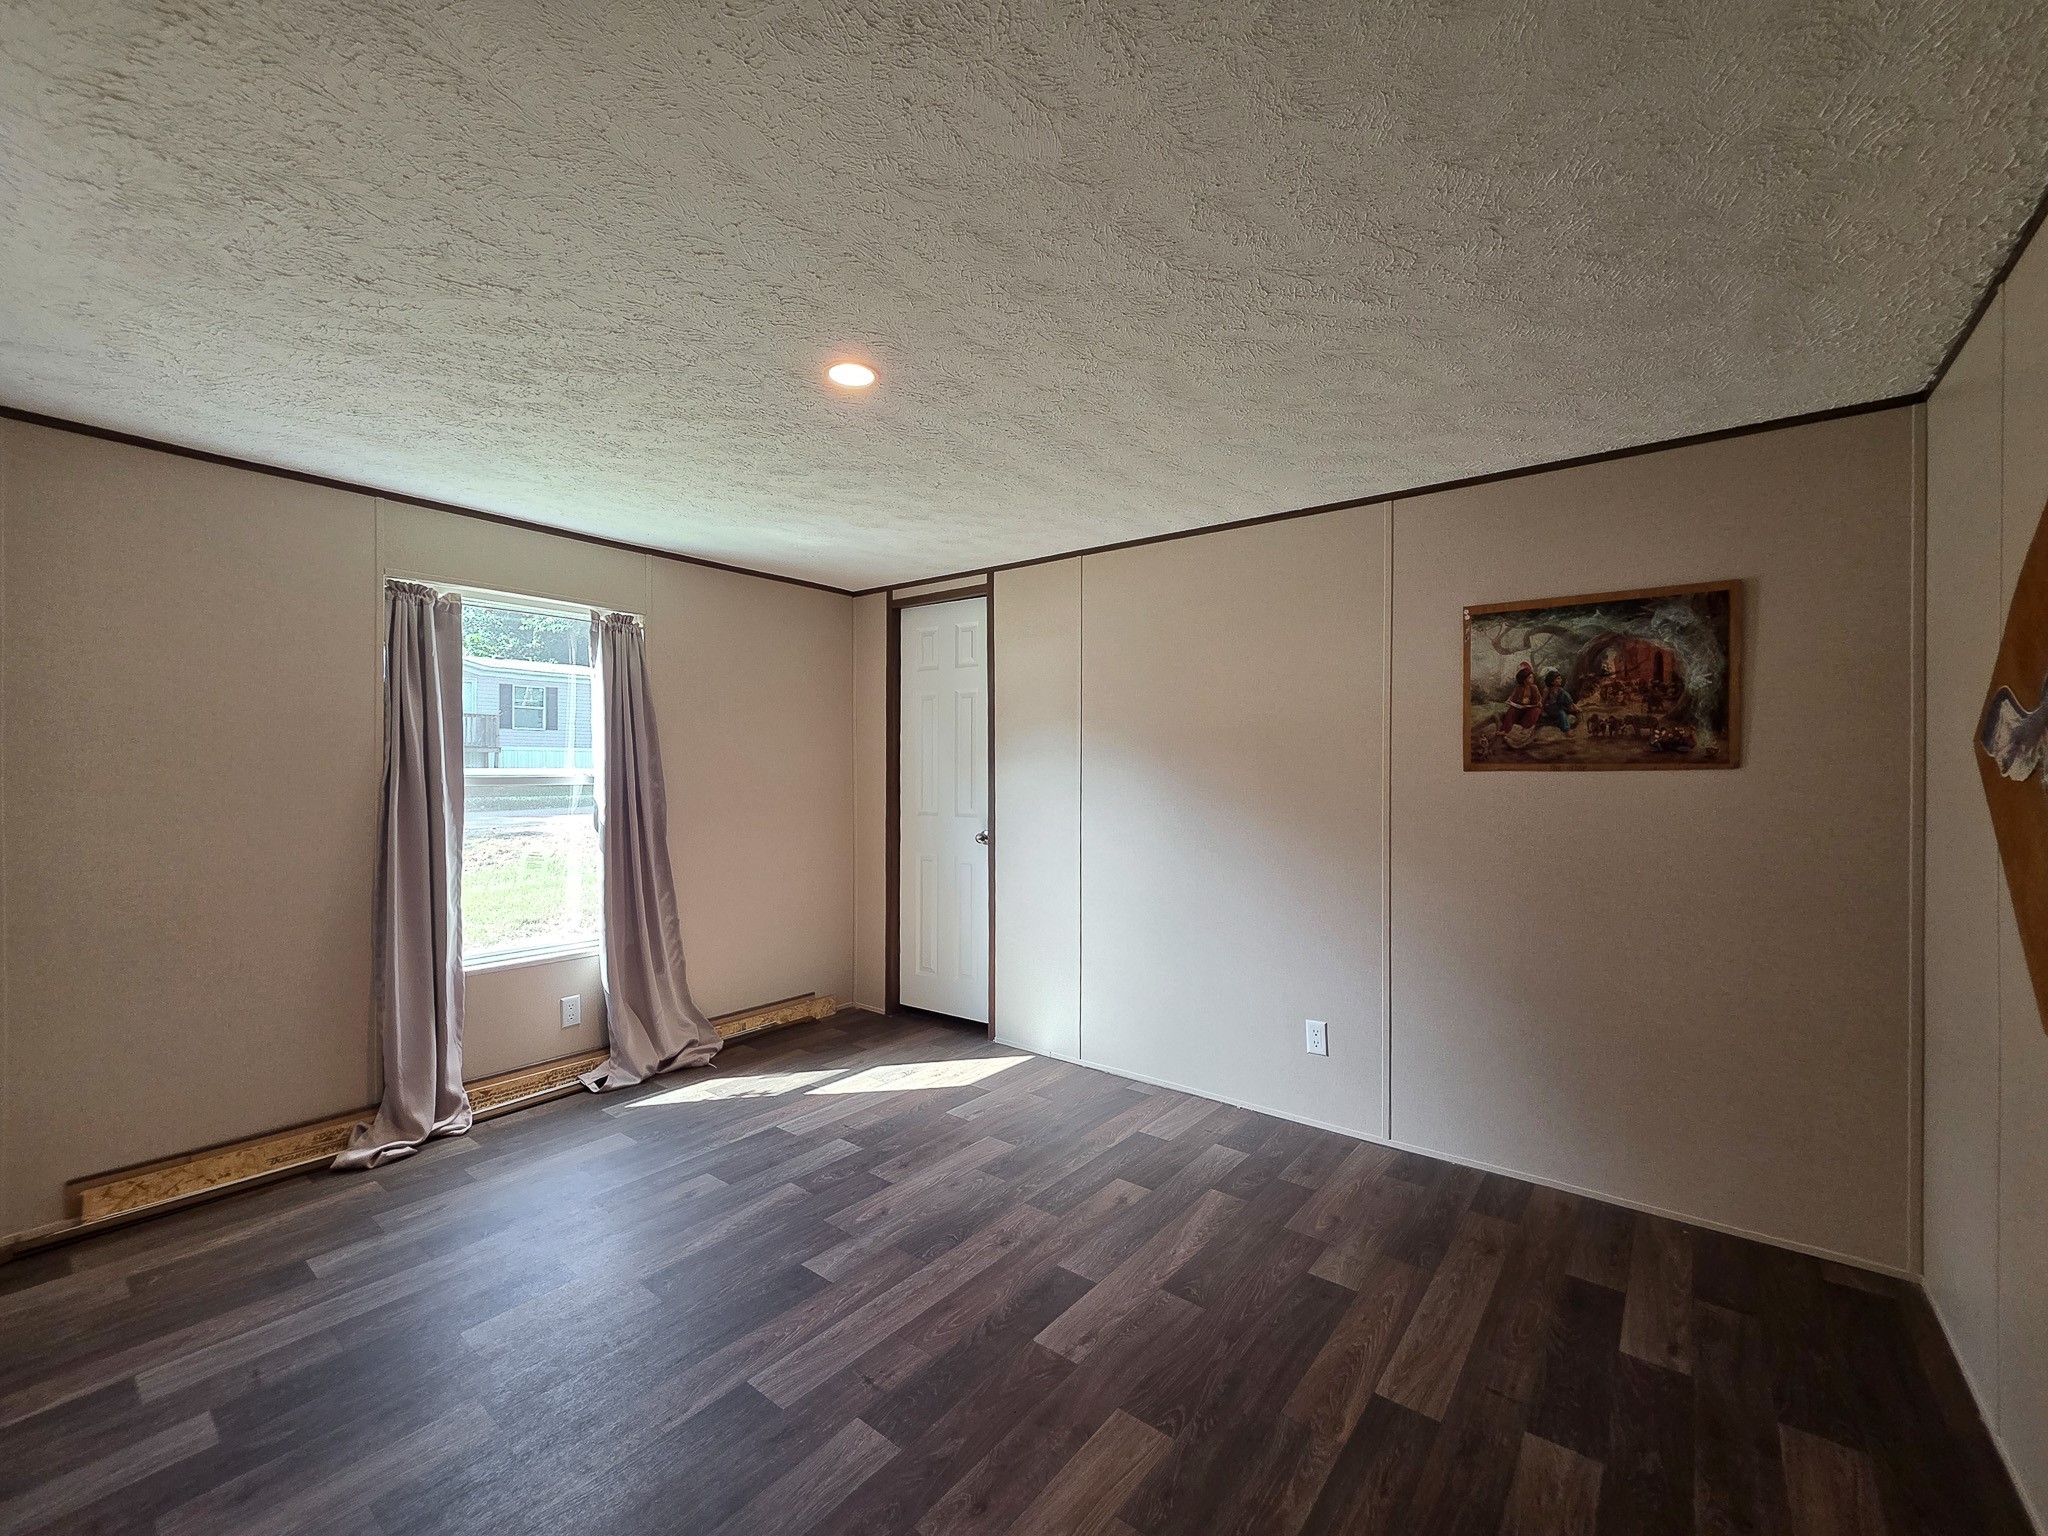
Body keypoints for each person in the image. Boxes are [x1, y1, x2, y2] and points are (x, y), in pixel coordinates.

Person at [1498, 662, 1543, 747]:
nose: (1532, 679)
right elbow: (1512, 698)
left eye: (1532, 677)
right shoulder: (1519, 688)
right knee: (1512, 710)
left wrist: (1537, 704)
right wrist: (1510, 702)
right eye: (1530, 678)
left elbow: (1537, 701)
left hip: (1531, 708)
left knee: (1535, 710)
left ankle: (1526, 727)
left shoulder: (1534, 687)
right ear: (1524, 679)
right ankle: (1505, 730)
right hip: (1520, 708)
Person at [1540, 670, 1579, 734]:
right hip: (1549, 707)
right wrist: (1542, 711)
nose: (1561, 680)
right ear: (1552, 682)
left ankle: (1571, 706)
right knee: (1561, 713)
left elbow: (1565, 698)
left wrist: (1572, 704)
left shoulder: (1559, 689)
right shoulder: (1547, 690)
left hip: (1557, 705)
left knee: (1564, 693)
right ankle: (1566, 730)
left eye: (1560, 678)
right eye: (1558, 678)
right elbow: (1542, 702)